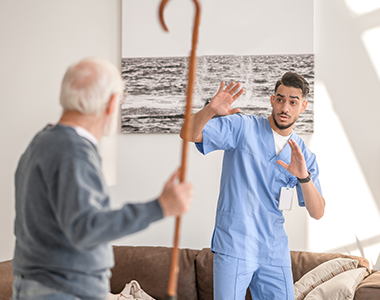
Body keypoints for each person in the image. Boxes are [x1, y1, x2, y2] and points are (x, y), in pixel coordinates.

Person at [12, 57, 193, 300]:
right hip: (64, 290)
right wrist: (159, 207)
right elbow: (85, 228)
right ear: (110, 103)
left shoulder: (43, 141)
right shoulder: (73, 151)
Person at [180, 72, 325, 300]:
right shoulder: (242, 127)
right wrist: (210, 111)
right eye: (280, 99)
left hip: (273, 249)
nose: (284, 107)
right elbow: (188, 133)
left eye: (293, 102)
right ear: (272, 100)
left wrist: (303, 177)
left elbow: (317, 212)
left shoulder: (304, 156)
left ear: (303, 106)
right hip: (235, 242)